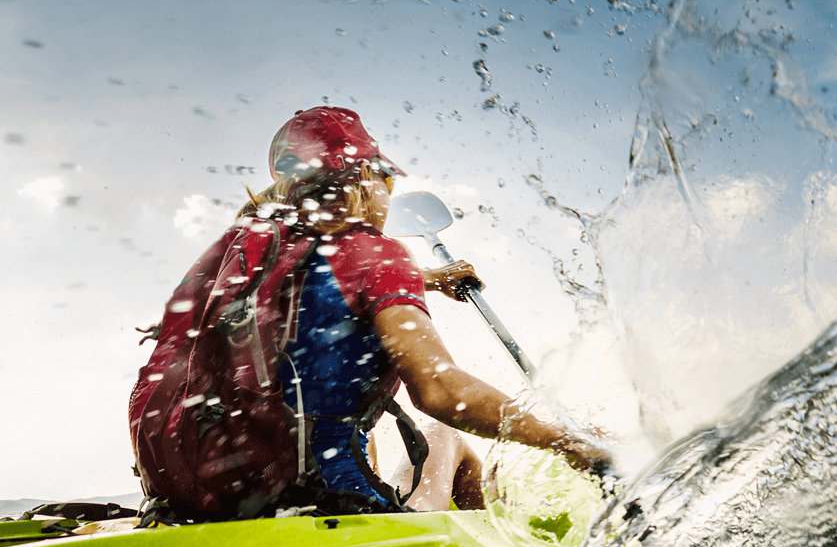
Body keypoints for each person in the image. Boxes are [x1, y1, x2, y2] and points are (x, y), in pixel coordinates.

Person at [147, 106, 606, 516]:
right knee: (446, 437)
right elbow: (440, 390)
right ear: (368, 178)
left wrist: (425, 278)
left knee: (341, 404)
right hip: (326, 503)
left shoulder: (245, 255)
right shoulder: (378, 254)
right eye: (388, 181)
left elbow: (320, 293)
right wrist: (574, 445)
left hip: (205, 504)